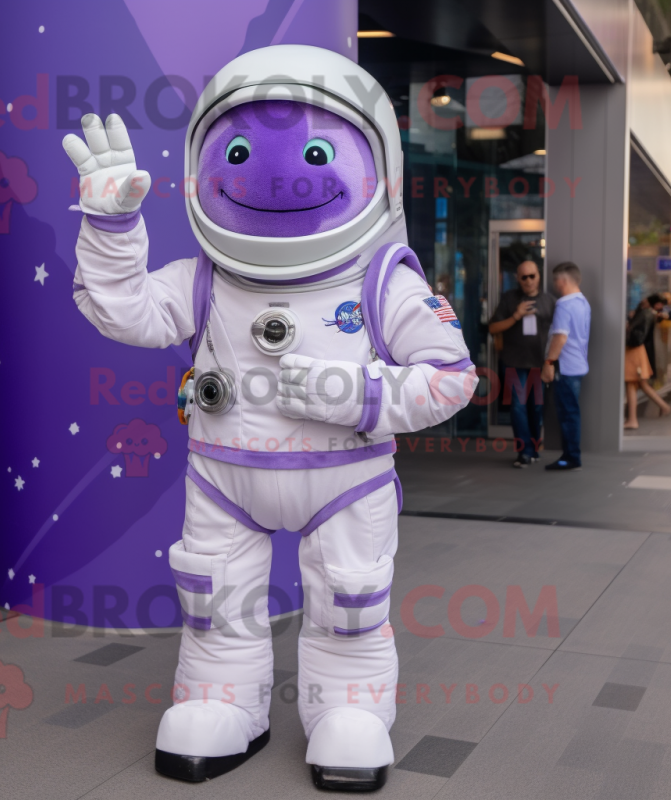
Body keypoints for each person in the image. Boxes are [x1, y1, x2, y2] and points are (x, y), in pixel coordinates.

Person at [63, 45, 477, 790]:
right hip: (226, 478)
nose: (270, 173)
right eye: (240, 149)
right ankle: (223, 701)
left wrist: (349, 394)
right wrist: (110, 227)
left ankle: (349, 708)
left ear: (375, 171)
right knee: (216, 600)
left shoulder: (385, 280)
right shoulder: (207, 278)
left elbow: (450, 377)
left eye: (319, 151)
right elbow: (122, 311)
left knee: (350, 599)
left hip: (343, 479)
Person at [488, 260, 556, 468]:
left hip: (538, 363)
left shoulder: (549, 301)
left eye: (532, 276)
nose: (528, 281)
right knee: (518, 407)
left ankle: (534, 448)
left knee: (535, 409)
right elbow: (493, 328)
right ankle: (524, 452)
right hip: (514, 362)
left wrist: (551, 362)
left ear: (538, 276)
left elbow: (558, 333)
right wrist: (516, 315)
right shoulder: (510, 298)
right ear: (518, 278)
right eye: (524, 277)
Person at [541, 262, 591, 470]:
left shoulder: (564, 304)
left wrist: (549, 363)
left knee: (568, 413)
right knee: (572, 412)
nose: (554, 284)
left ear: (563, 280)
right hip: (578, 366)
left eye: (555, 280)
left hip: (565, 368)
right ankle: (571, 455)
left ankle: (571, 457)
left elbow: (560, 337)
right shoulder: (583, 303)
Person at [624, 293, 671, 429]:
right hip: (637, 352)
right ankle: (663, 406)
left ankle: (632, 419)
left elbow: (637, 334)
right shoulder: (649, 314)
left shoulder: (645, 314)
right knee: (639, 384)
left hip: (634, 352)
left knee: (632, 384)